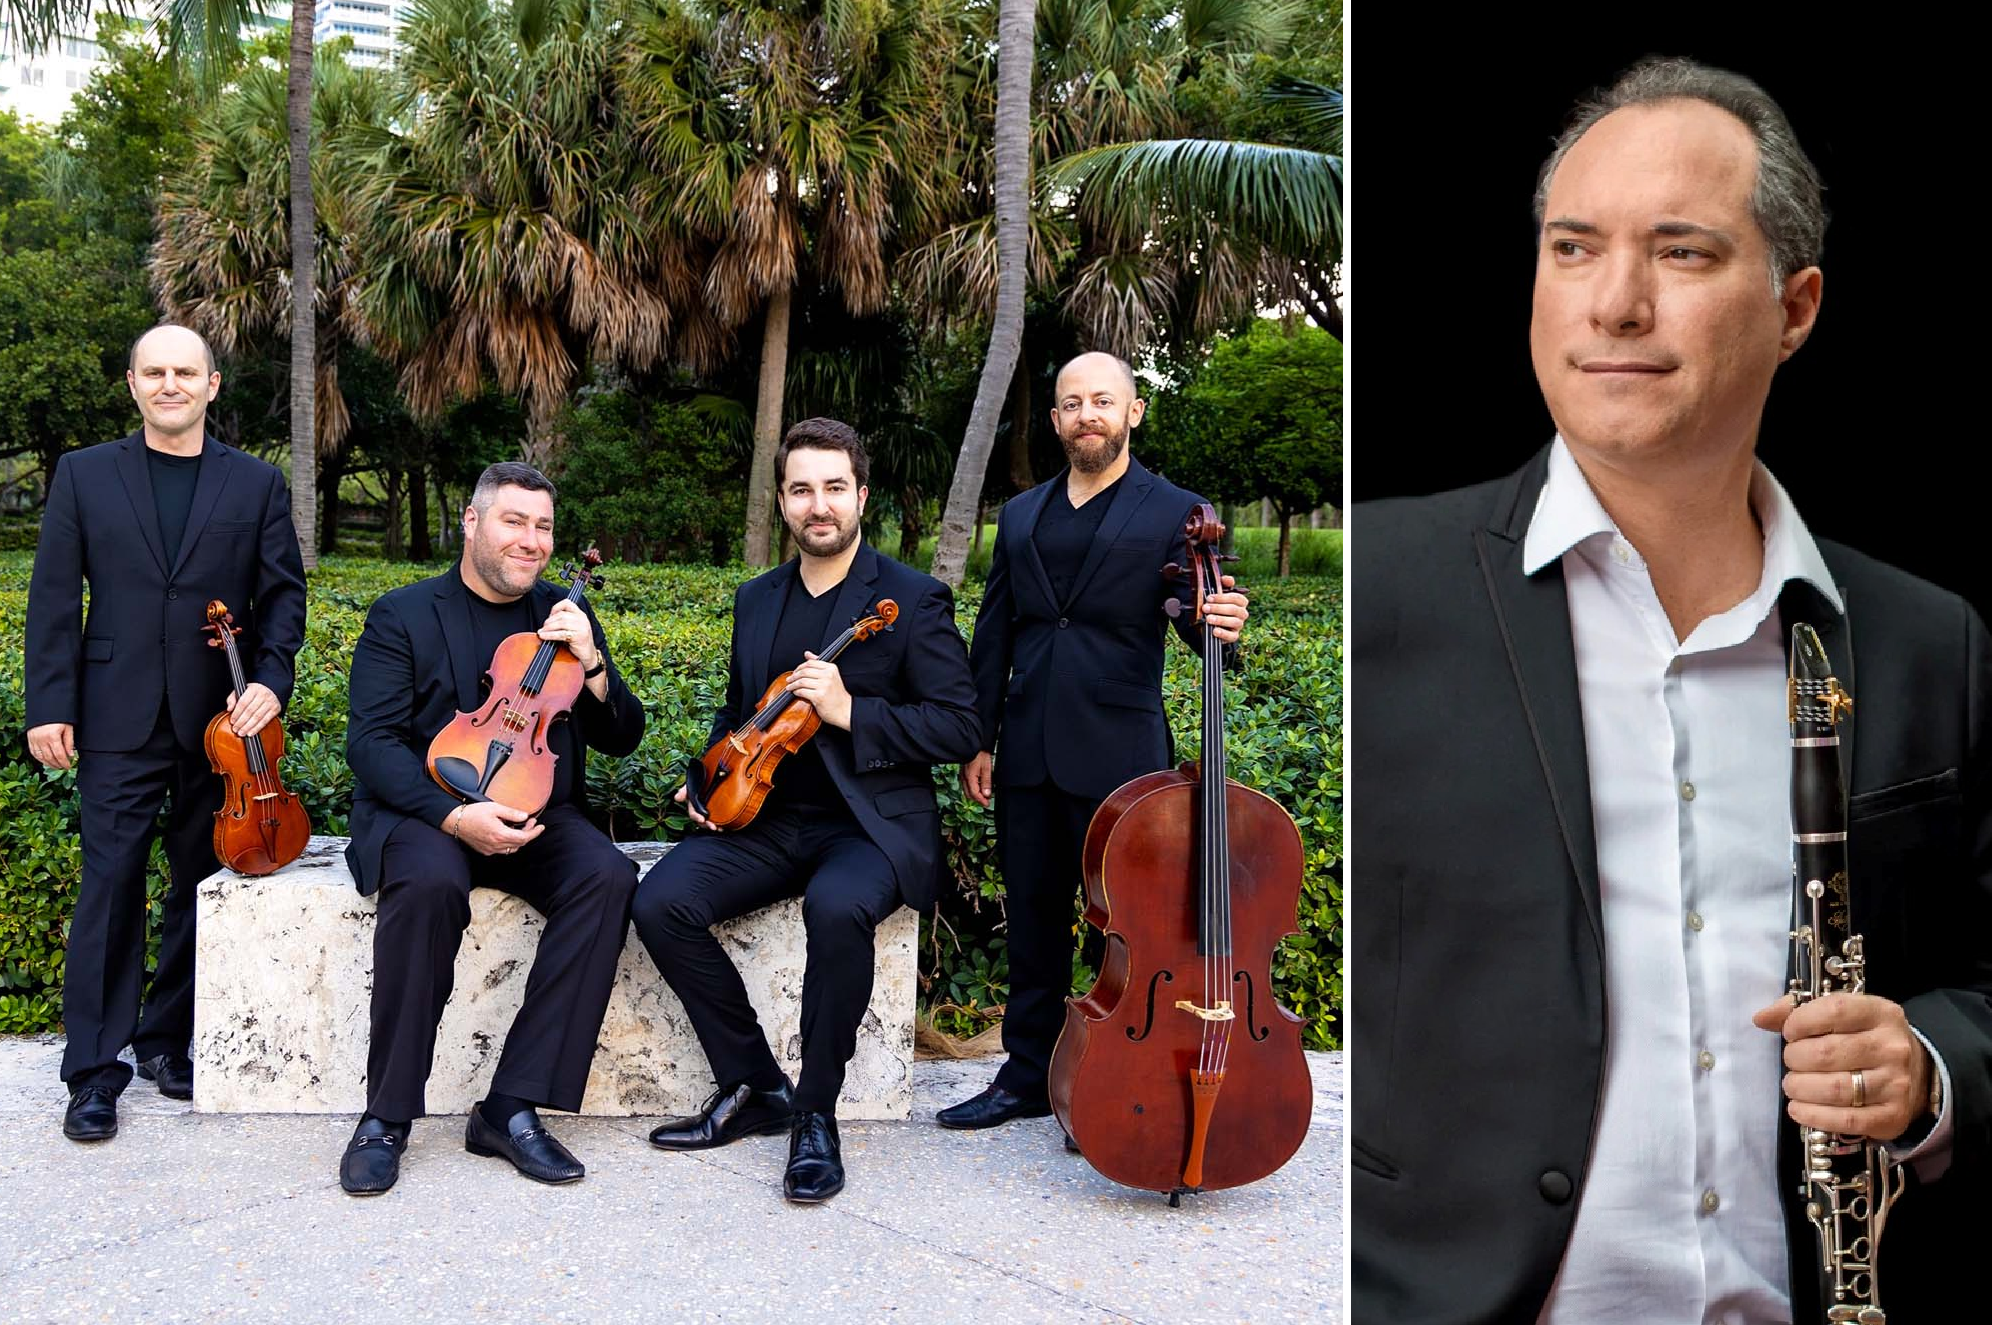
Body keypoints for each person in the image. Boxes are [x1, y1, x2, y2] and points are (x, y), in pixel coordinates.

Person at [1349, 57, 1989, 1323]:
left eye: (1682, 253)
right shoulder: (1384, 587)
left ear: (1795, 307)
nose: (1616, 304)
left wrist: (1928, 1067)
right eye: (1574, 249)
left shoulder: (1927, 641)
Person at [632, 417, 979, 1202]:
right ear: (783, 501)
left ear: (861, 495)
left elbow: (960, 725)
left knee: (836, 906)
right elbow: (739, 713)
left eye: (833, 488)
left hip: (868, 826)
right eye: (801, 489)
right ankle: (755, 1083)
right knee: (659, 901)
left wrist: (852, 711)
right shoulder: (757, 598)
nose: (817, 505)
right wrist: (709, 776)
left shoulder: (910, 598)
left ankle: (815, 1113)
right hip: (766, 817)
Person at [936, 351, 1249, 1133]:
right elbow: (996, 630)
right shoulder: (1021, 514)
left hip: (1122, 757)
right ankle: (1026, 1075)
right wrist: (979, 737)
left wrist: (1222, 626)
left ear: (1133, 411)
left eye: (1103, 401)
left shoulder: (1177, 511)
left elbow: (1197, 623)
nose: (1088, 415)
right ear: (1055, 420)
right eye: (1072, 403)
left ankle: (1119, 1080)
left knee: (1131, 928)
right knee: (1033, 918)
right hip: (1028, 749)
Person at [23, 324, 308, 1144]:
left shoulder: (256, 483)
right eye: (155, 372)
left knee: (198, 882)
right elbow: (54, 597)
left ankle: (165, 1040)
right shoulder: (83, 474)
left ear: (212, 385)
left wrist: (269, 681)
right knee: (110, 886)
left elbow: (282, 597)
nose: (170, 384)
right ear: (133, 383)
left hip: (218, 721)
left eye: (186, 371)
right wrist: (49, 704)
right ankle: (93, 1070)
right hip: (114, 716)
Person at [338, 461, 644, 1195]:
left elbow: (622, 735)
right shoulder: (403, 613)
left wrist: (593, 663)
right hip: (427, 809)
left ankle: (510, 1107)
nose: (531, 540)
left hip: (534, 807)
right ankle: (386, 1115)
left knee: (607, 876)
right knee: (430, 885)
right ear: (472, 522)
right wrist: (453, 815)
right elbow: (371, 743)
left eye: (543, 526)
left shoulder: (564, 616)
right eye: (514, 521)